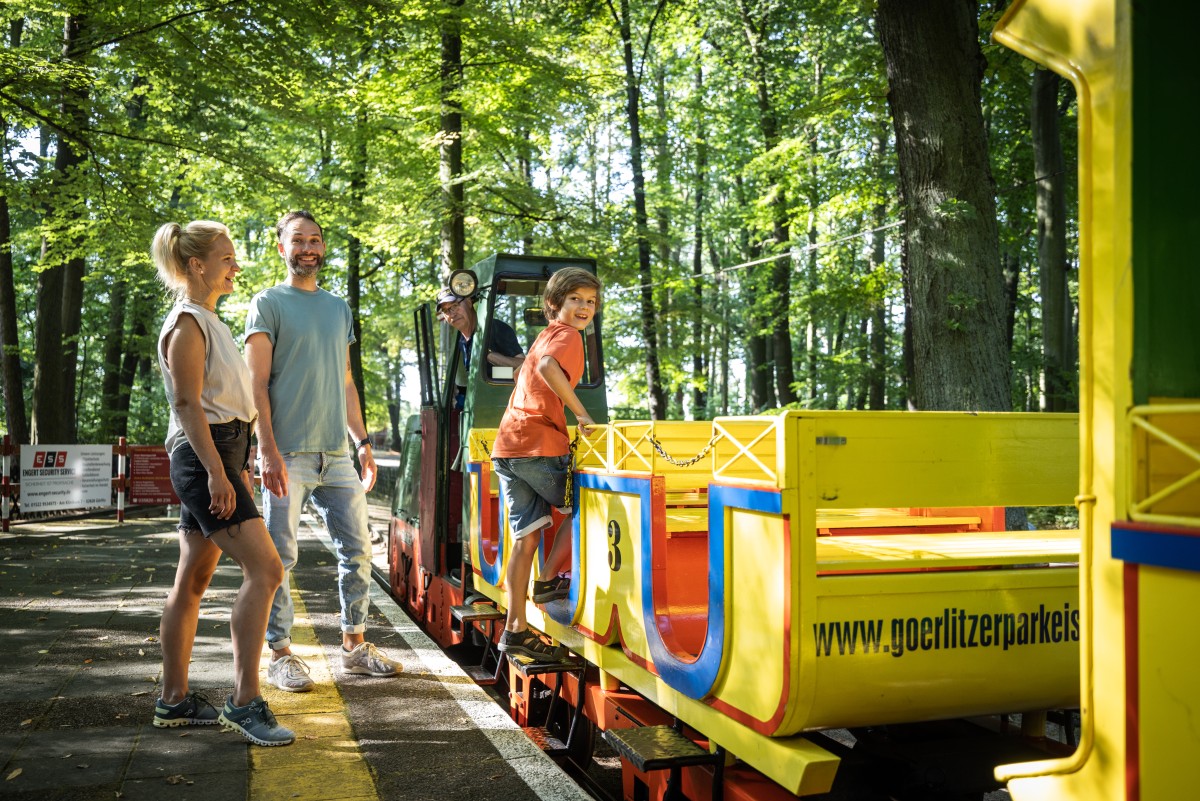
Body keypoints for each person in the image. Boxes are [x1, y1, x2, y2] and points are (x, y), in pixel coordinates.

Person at [151, 221, 294, 746]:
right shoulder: (187, 323)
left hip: (221, 450)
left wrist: (244, 456)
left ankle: (174, 701)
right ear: (196, 265)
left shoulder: (208, 319)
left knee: (192, 579)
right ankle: (245, 700)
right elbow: (187, 405)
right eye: (227, 258)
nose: (236, 266)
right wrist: (217, 472)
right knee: (267, 568)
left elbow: (228, 401)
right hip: (203, 455)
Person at [245, 210, 400, 692]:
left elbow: (348, 382)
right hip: (287, 452)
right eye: (298, 240)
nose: (308, 248)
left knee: (358, 552)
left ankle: (354, 646)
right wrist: (265, 448)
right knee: (281, 557)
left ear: (323, 248)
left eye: (315, 240)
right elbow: (256, 382)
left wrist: (363, 443)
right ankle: (281, 653)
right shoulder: (266, 302)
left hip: (337, 456)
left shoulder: (339, 309)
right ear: (281, 248)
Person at [490, 267, 601, 661]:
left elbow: (528, 371)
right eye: (575, 299)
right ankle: (549, 580)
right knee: (584, 505)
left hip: (508, 447)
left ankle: (515, 628)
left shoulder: (546, 334)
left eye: (590, 301)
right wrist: (582, 415)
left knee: (527, 537)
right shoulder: (568, 336)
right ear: (555, 303)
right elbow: (546, 369)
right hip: (539, 443)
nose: (584, 307)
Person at [437, 288, 525, 407]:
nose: (452, 314)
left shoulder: (495, 329)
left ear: (469, 301)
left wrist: (488, 355)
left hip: (504, 406)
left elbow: (524, 366)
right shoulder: (461, 341)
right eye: (446, 311)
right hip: (476, 407)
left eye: (455, 305)